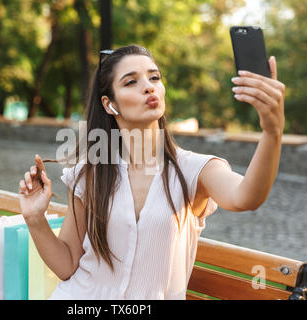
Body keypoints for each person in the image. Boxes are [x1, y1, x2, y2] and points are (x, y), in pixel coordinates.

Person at [18, 44, 285, 299]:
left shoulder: (195, 170)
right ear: (110, 105)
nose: (148, 87)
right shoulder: (90, 173)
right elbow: (66, 265)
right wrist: (34, 218)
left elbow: (246, 198)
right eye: (131, 81)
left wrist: (272, 132)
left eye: (154, 77)